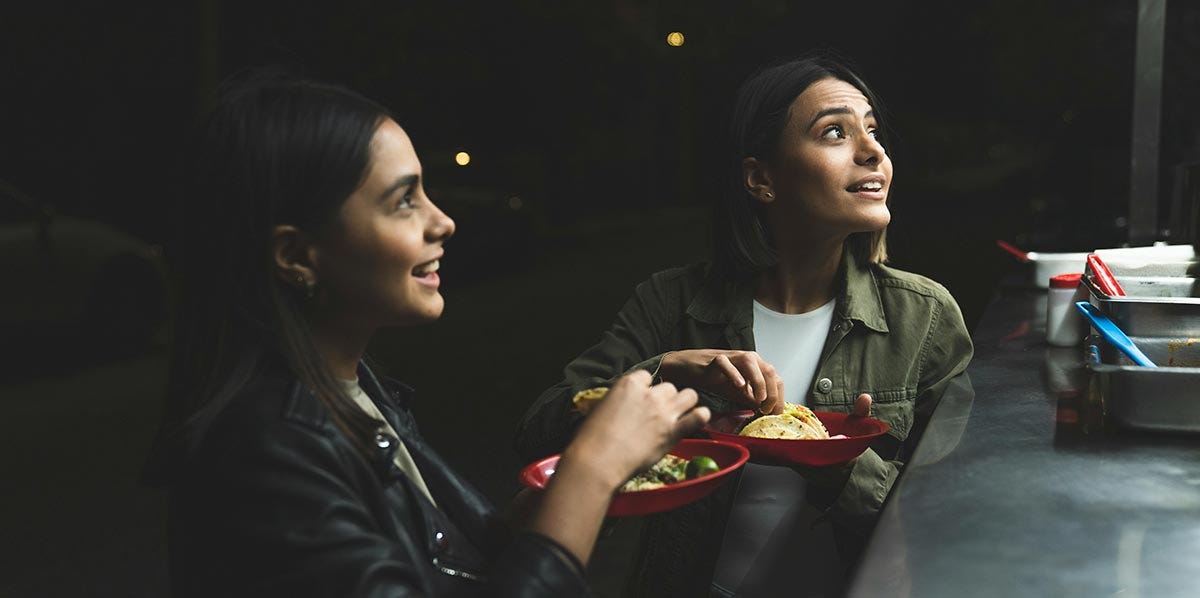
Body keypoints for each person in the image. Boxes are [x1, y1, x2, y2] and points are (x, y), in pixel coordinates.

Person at [142, 70, 711, 597]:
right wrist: (590, 470)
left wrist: (605, 472)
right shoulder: (265, 454)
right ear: (295, 254)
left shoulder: (349, 390)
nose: (443, 221)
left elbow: (447, 563)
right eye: (403, 201)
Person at [514, 52, 974, 596]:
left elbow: (954, 515)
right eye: (834, 132)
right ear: (761, 178)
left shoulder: (924, 316)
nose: (873, 151)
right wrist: (667, 370)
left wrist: (837, 463)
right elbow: (541, 435)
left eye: (872, 131)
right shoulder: (672, 303)